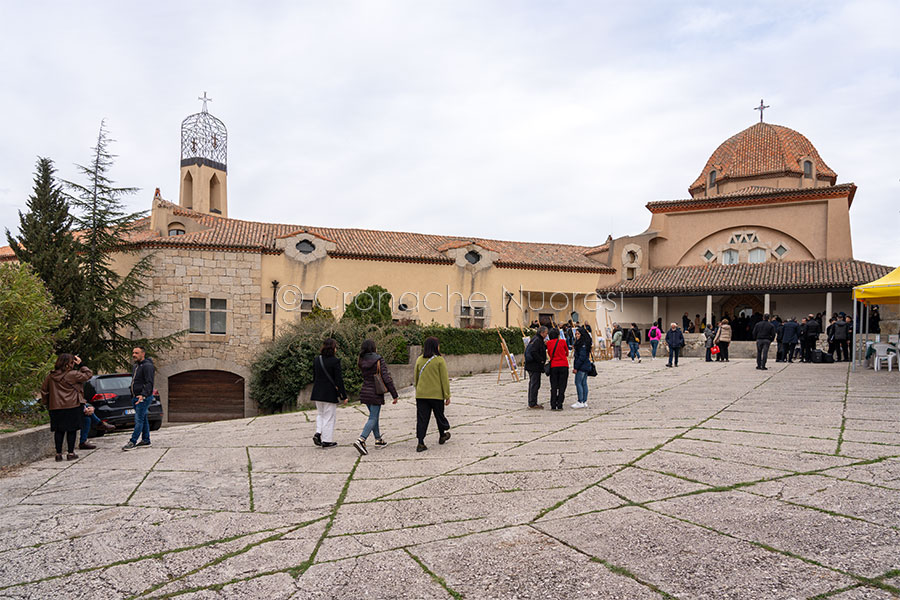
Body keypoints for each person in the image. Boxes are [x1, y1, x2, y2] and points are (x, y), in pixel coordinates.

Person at [40, 354, 93, 461]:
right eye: (72, 362)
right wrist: (81, 364)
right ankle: (70, 453)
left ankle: (58, 454)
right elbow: (88, 375)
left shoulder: (50, 376)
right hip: (72, 406)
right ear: (68, 364)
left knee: (58, 431)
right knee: (71, 430)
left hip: (55, 407)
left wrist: (48, 403)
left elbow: (44, 390)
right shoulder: (72, 374)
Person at [353, 339, 398, 455]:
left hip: (365, 391)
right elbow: (386, 378)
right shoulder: (378, 359)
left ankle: (378, 440)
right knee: (373, 417)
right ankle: (361, 440)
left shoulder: (361, 360)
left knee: (374, 416)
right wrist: (394, 394)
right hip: (375, 392)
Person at [414, 336, 451, 452]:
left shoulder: (419, 359)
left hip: (421, 395)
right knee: (439, 415)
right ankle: (442, 434)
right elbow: (444, 379)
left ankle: (420, 443)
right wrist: (447, 395)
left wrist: (418, 389)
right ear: (436, 346)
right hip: (436, 395)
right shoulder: (439, 360)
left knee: (422, 419)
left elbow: (415, 378)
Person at [311, 338, 348, 448]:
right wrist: (343, 396)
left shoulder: (317, 360)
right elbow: (338, 380)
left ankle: (318, 433)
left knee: (321, 414)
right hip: (329, 393)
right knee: (329, 417)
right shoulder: (335, 361)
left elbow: (314, 376)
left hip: (317, 392)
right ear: (333, 348)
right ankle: (326, 441)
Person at [123, 347, 155, 451]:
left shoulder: (147, 366)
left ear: (143, 354)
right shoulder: (136, 366)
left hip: (142, 397)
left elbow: (149, 382)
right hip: (135, 396)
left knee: (139, 419)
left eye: (136, 353)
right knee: (143, 418)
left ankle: (132, 441)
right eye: (133, 353)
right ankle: (146, 440)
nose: (134, 355)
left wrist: (143, 395)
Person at [523, 326, 548, 409]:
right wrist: (541, 360)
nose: (546, 334)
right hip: (534, 366)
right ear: (542, 333)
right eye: (546, 333)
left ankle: (532, 401)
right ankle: (533, 403)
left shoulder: (536, 339)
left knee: (533, 384)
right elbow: (534, 352)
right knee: (535, 384)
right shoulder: (537, 340)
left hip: (531, 366)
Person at [545, 328, 569, 410]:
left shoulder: (548, 343)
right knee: (562, 385)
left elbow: (549, 353)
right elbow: (567, 353)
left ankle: (553, 403)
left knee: (554, 386)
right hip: (563, 365)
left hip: (554, 366)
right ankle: (560, 403)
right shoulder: (562, 342)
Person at [571, 327, 591, 408]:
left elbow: (581, 357)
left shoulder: (582, 344)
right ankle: (584, 400)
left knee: (578, 383)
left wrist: (576, 367)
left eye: (578, 334)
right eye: (576, 334)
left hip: (582, 366)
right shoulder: (584, 343)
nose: (576, 335)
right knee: (584, 383)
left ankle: (580, 401)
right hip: (585, 366)